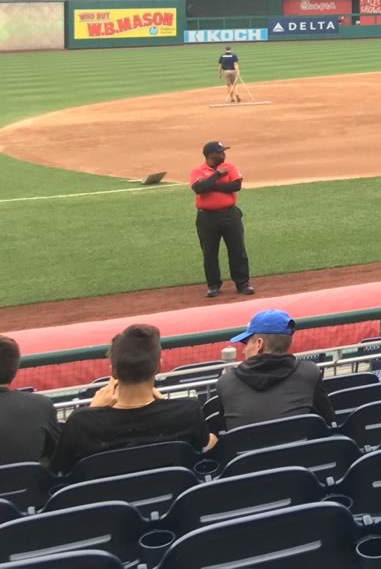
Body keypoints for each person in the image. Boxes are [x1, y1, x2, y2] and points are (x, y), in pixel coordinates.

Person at [50, 324, 213, 474]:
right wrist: (165, 403)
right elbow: (207, 444)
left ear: (113, 372)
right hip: (172, 500)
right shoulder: (188, 411)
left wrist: (93, 411)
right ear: (158, 367)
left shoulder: (81, 422)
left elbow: (58, 469)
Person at [216, 310, 335, 430]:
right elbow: (329, 422)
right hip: (299, 447)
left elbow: (222, 432)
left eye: (246, 344)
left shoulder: (226, 383)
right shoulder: (309, 373)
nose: (243, 351)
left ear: (259, 344)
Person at [0, 334, 59, 468]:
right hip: (31, 488)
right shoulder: (41, 405)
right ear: (15, 369)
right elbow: (56, 458)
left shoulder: (41, 405)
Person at [192, 141, 254, 298]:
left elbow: (235, 186)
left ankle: (242, 283)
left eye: (223, 152)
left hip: (230, 215)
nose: (223, 155)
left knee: (237, 249)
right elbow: (198, 188)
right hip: (207, 217)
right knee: (209, 252)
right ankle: (213, 285)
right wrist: (218, 175)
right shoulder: (198, 170)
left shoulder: (230, 167)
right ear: (210, 155)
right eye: (219, 152)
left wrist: (211, 186)